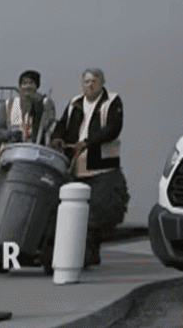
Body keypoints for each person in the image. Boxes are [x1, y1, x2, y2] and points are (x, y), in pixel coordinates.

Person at [53, 67, 126, 268]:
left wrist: (88, 142)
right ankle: (76, 251)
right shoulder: (75, 102)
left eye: (94, 81)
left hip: (101, 166)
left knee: (94, 212)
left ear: (102, 83)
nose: (90, 85)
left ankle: (91, 253)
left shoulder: (112, 101)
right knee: (74, 210)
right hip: (77, 165)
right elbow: (62, 124)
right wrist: (57, 138)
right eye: (86, 81)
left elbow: (113, 128)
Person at [0, 70, 55, 145]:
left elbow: (48, 123)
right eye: (24, 83)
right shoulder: (8, 105)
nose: (27, 86)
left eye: (31, 83)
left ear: (36, 86)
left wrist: (39, 104)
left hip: (35, 149)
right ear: (20, 86)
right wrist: (10, 134)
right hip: (12, 149)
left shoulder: (44, 105)